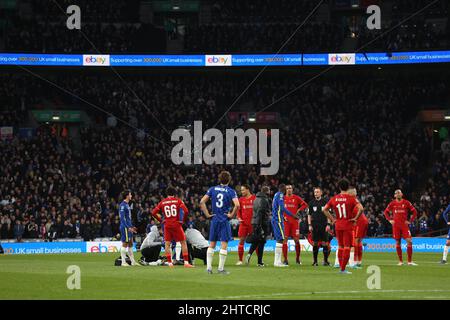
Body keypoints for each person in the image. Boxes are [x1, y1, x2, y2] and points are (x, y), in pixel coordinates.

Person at [200, 170, 240, 275]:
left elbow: (202, 202)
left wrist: (207, 214)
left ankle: (209, 268)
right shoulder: (231, 191)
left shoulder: (212, 189)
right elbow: (237, 205)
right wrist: (231, 215)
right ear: (229, 180)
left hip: (214, 219)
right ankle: (220, 269)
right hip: (224, 219)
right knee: (224, 244)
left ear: (219, 179)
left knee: (212, 244)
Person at [322, 178, 363, 274]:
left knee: (340, 246)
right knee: (347, 247)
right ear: (348, 187)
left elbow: (324, 210)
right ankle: (343, 269)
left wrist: (333, 219)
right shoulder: (351, 198)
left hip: (338, 225)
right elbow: (361, 209)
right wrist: (355, 218)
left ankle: (341, 267)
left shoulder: (334, 198)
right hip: (348, 225)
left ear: (339, 187)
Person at [151, 186, 193, 268]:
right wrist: (183, 220)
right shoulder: (178, 201)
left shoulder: (162, 202)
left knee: (167, 244)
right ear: (174, 193)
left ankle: (170, 263)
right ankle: (186, 262)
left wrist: (161, 220)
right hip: (176, 224)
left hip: (167, 225)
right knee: (183, 242)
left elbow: (153, 213)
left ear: (167, 193)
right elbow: (186, 211)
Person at [383, 189, 418, 266]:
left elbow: (415, 212)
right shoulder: (392, 203)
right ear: (394, 195)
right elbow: (385, 212)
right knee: (398, 242)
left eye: (399, 193)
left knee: (409, 241)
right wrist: (389, 220)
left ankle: (409, 261)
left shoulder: (406, 202)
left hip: (404, 225)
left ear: (402, 194)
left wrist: (410, 221)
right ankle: (400, 261)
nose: (398, 194)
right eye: (396, 193)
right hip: (396, 226)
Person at [271, 184, 297, 267]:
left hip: (277, 218)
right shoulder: (281, 195)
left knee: (280, 239)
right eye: (286, 189)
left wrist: (282, 217)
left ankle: (277, 261)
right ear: (283, 189)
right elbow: (282, 207)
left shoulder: (276, 194)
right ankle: (277, 262)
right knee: (281, 239)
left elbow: (277, 208)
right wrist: (292, 215)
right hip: (277, 219)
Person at [245, 185, 271, 267]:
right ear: (267, 191)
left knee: (257, 240)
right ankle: (259, 262)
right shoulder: (264, 200)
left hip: (254, 222)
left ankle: (249, 254)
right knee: (262, 242)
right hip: (261, 223)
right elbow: (260, 212)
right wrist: (260, 226)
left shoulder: (256, 199)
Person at [282, 184, 307, 265]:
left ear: (292, 189)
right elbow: (278, 208)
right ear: (285, 190)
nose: (289, 189)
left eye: (290, 188)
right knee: (285, 239)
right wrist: (282, 216)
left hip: (294, 222)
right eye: (287, 188)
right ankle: (285, 260)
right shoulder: (282, 198)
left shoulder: (296, 198)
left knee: (296, 240)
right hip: (285, 222)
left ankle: (297, 259)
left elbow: (305, 204)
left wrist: (299, 210)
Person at [308, 187, 331, 266]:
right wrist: (309, 225)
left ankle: (325, 261)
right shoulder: (311, 203)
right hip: (315, 226)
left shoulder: (325, 202)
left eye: (317, 192)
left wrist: (328, 224)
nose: (315, 193)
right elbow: (309, 215)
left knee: (325, 243)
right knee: (315, 243)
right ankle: (315, 261)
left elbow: (328, 215)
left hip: (324, 225)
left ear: (321, 193)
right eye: (315, 192)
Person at [348, 187, 368, 268]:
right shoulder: (355, 200)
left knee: (355, 242)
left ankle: (355, 261)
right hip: (363, 221)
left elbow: (361, 209)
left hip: (359, 222)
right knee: (358, 242)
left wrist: (355, 218)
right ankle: (359, 261)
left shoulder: (352, 199)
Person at [236, 184, 256, 265]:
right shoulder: (240, 199)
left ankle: (259, 261)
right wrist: (239, 217)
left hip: (253, 224)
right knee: (241, 241)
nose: (242, 192)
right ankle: (240, 260)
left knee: (256, 242)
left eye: (243, 190)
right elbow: (238, 211)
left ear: (248, 190)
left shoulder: (254, 198)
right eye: (241, 190)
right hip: (243, 224)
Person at [119, 190, 139, 267]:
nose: (131, 196)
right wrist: (128, 227)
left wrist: (131, 226)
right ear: (127, 196)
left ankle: (133, 262)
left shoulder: (127, 205)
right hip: (125, 227)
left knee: (130, 244)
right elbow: (122, 218)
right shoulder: (123, 205)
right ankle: (123, 262)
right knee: (125, 243)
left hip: (129, 227)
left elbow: (128, 218)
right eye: (130, 194)